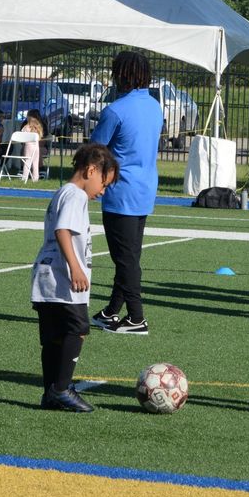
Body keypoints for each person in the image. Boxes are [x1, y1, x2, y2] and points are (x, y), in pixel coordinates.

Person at [31, 143, 119, 412]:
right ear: (91, 170)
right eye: (103, 183)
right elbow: (63, 231)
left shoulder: (63, 192)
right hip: (63, 278)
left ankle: (50, 392)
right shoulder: (75, 196)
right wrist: (76, 268)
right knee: (78, 329)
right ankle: (62, 388)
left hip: (46, 278)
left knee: (54, 336)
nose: (102, 192)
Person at [89, 51, 163, 335]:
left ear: (123, 75)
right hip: (145, 189)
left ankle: (136, 317)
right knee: (130, 255)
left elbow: (95, 150)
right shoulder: (155, 107)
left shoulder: (116, 110)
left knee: (125, 258)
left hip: (121, 191)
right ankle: (111, 311)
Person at [20, 108, 46, 182]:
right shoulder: (38, 128)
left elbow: (22, 136)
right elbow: (40, 138)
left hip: (28, 147)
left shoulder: (26, 127)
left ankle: (24, 177)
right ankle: (35, 178)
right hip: (36, 147)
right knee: (35, 163)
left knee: (27, 162)